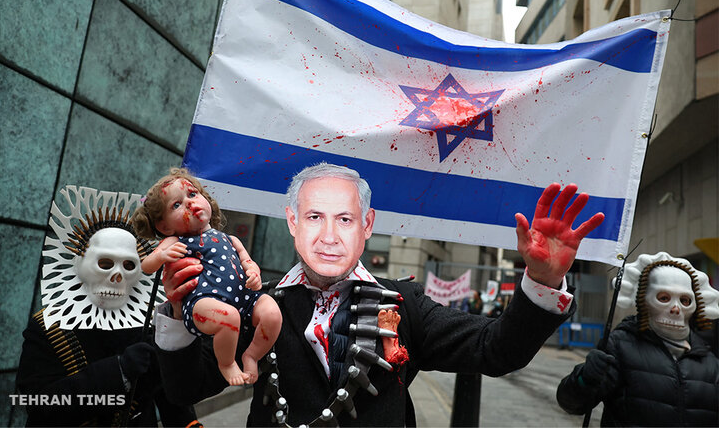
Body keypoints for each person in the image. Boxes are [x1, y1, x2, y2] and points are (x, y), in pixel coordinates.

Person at [154, 162, 605, 426]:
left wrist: (542, 282)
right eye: (314, 217)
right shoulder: (257, 303)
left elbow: (497, 349)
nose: (329, 235)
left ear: (367, 227)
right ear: (292, 222)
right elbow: (184, 389)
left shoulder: (403, 304)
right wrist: (177, 316)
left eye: (345, 220)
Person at [16, 185, 198, 427]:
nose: (117, 276)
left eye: (129, 266)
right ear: (79, 265)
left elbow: (174, 402)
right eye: (105, 263)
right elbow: (38, 405)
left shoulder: (146, 327)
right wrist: (119, 371)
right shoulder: (50, 326)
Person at [131, 168, 282, 385]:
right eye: (176, 205)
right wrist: (162, 254)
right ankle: (227, 363)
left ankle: (251, 355)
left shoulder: (230, 239)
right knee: (228, 317)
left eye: (192, 194)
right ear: (164, 226)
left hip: (245, 299)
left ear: (206, 199)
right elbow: (147, 265)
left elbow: (247, 261)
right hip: (203, 303)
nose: (189, 203)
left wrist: (253, 273)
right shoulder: (177, 241)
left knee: (272, 313)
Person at [555, 252, 719, 426]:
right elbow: (572, 403)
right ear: (644, 301)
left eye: (685, 300)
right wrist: (584, 378)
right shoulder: (620, 347)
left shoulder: (710, 363)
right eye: (664, 298)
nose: (676, 309)